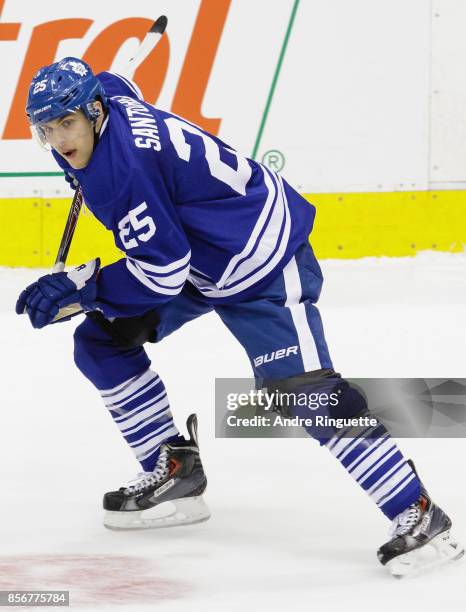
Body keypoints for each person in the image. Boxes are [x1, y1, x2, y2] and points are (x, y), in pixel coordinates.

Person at [16, 57, 463, 576]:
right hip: (201, 254)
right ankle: (174, 472)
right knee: (101, 343)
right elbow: (124, 84)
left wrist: (85, 287)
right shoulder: (110, 99)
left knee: (304, 391)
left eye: (67, 123)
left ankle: (419, 512)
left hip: (263, 258)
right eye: (46, 129)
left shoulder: (126, 174)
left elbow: (160, 275)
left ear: (95, 112)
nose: (60, 140)